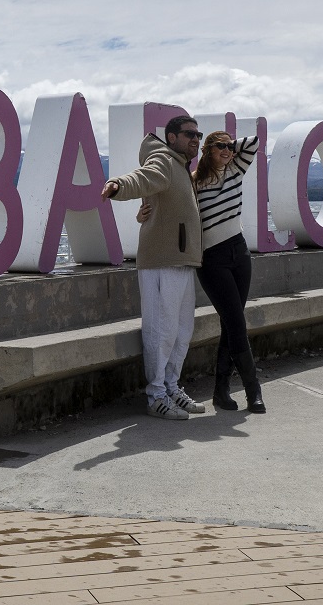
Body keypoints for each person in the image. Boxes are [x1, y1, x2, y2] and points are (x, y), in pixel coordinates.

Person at [101, 115, 206, 420]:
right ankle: (156, 395)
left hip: (182, 260)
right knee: (161, 331)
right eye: (189, 134)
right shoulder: (163, 160)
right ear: (171, 137)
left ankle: (171, 387)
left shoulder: (181, 167)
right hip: (163, 261)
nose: (195, 139)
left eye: (198, 135)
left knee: (182, 331)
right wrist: (119, 185)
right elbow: (142, 178)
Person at [193, 131, 266, 413]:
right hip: (212, 259)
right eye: (220, 146)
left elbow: (255, 141)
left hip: (240, 252)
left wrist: (228, 147)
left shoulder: (236, 168)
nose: (227, 151)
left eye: (229, 146)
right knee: (236, 323)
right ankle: (253, 392)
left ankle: (220, 393)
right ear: (207, 150)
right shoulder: (194, 182)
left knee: (230, 324)